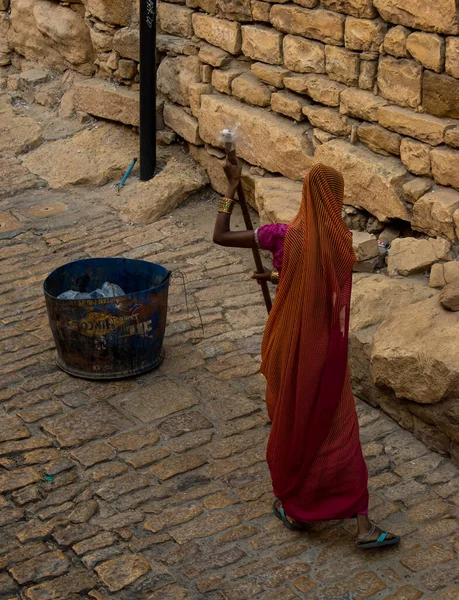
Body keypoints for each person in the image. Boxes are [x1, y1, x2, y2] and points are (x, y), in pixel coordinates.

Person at [213, 158, 400, 549]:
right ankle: (362, 526)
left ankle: (296, 506)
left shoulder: (282, 235)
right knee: (338, 426)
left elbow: (221, 236)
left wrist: (231, 190)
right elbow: (319, 286)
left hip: (286, 344)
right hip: (325, 347)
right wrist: (281, 278)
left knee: (292, 420)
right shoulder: (340, 242)